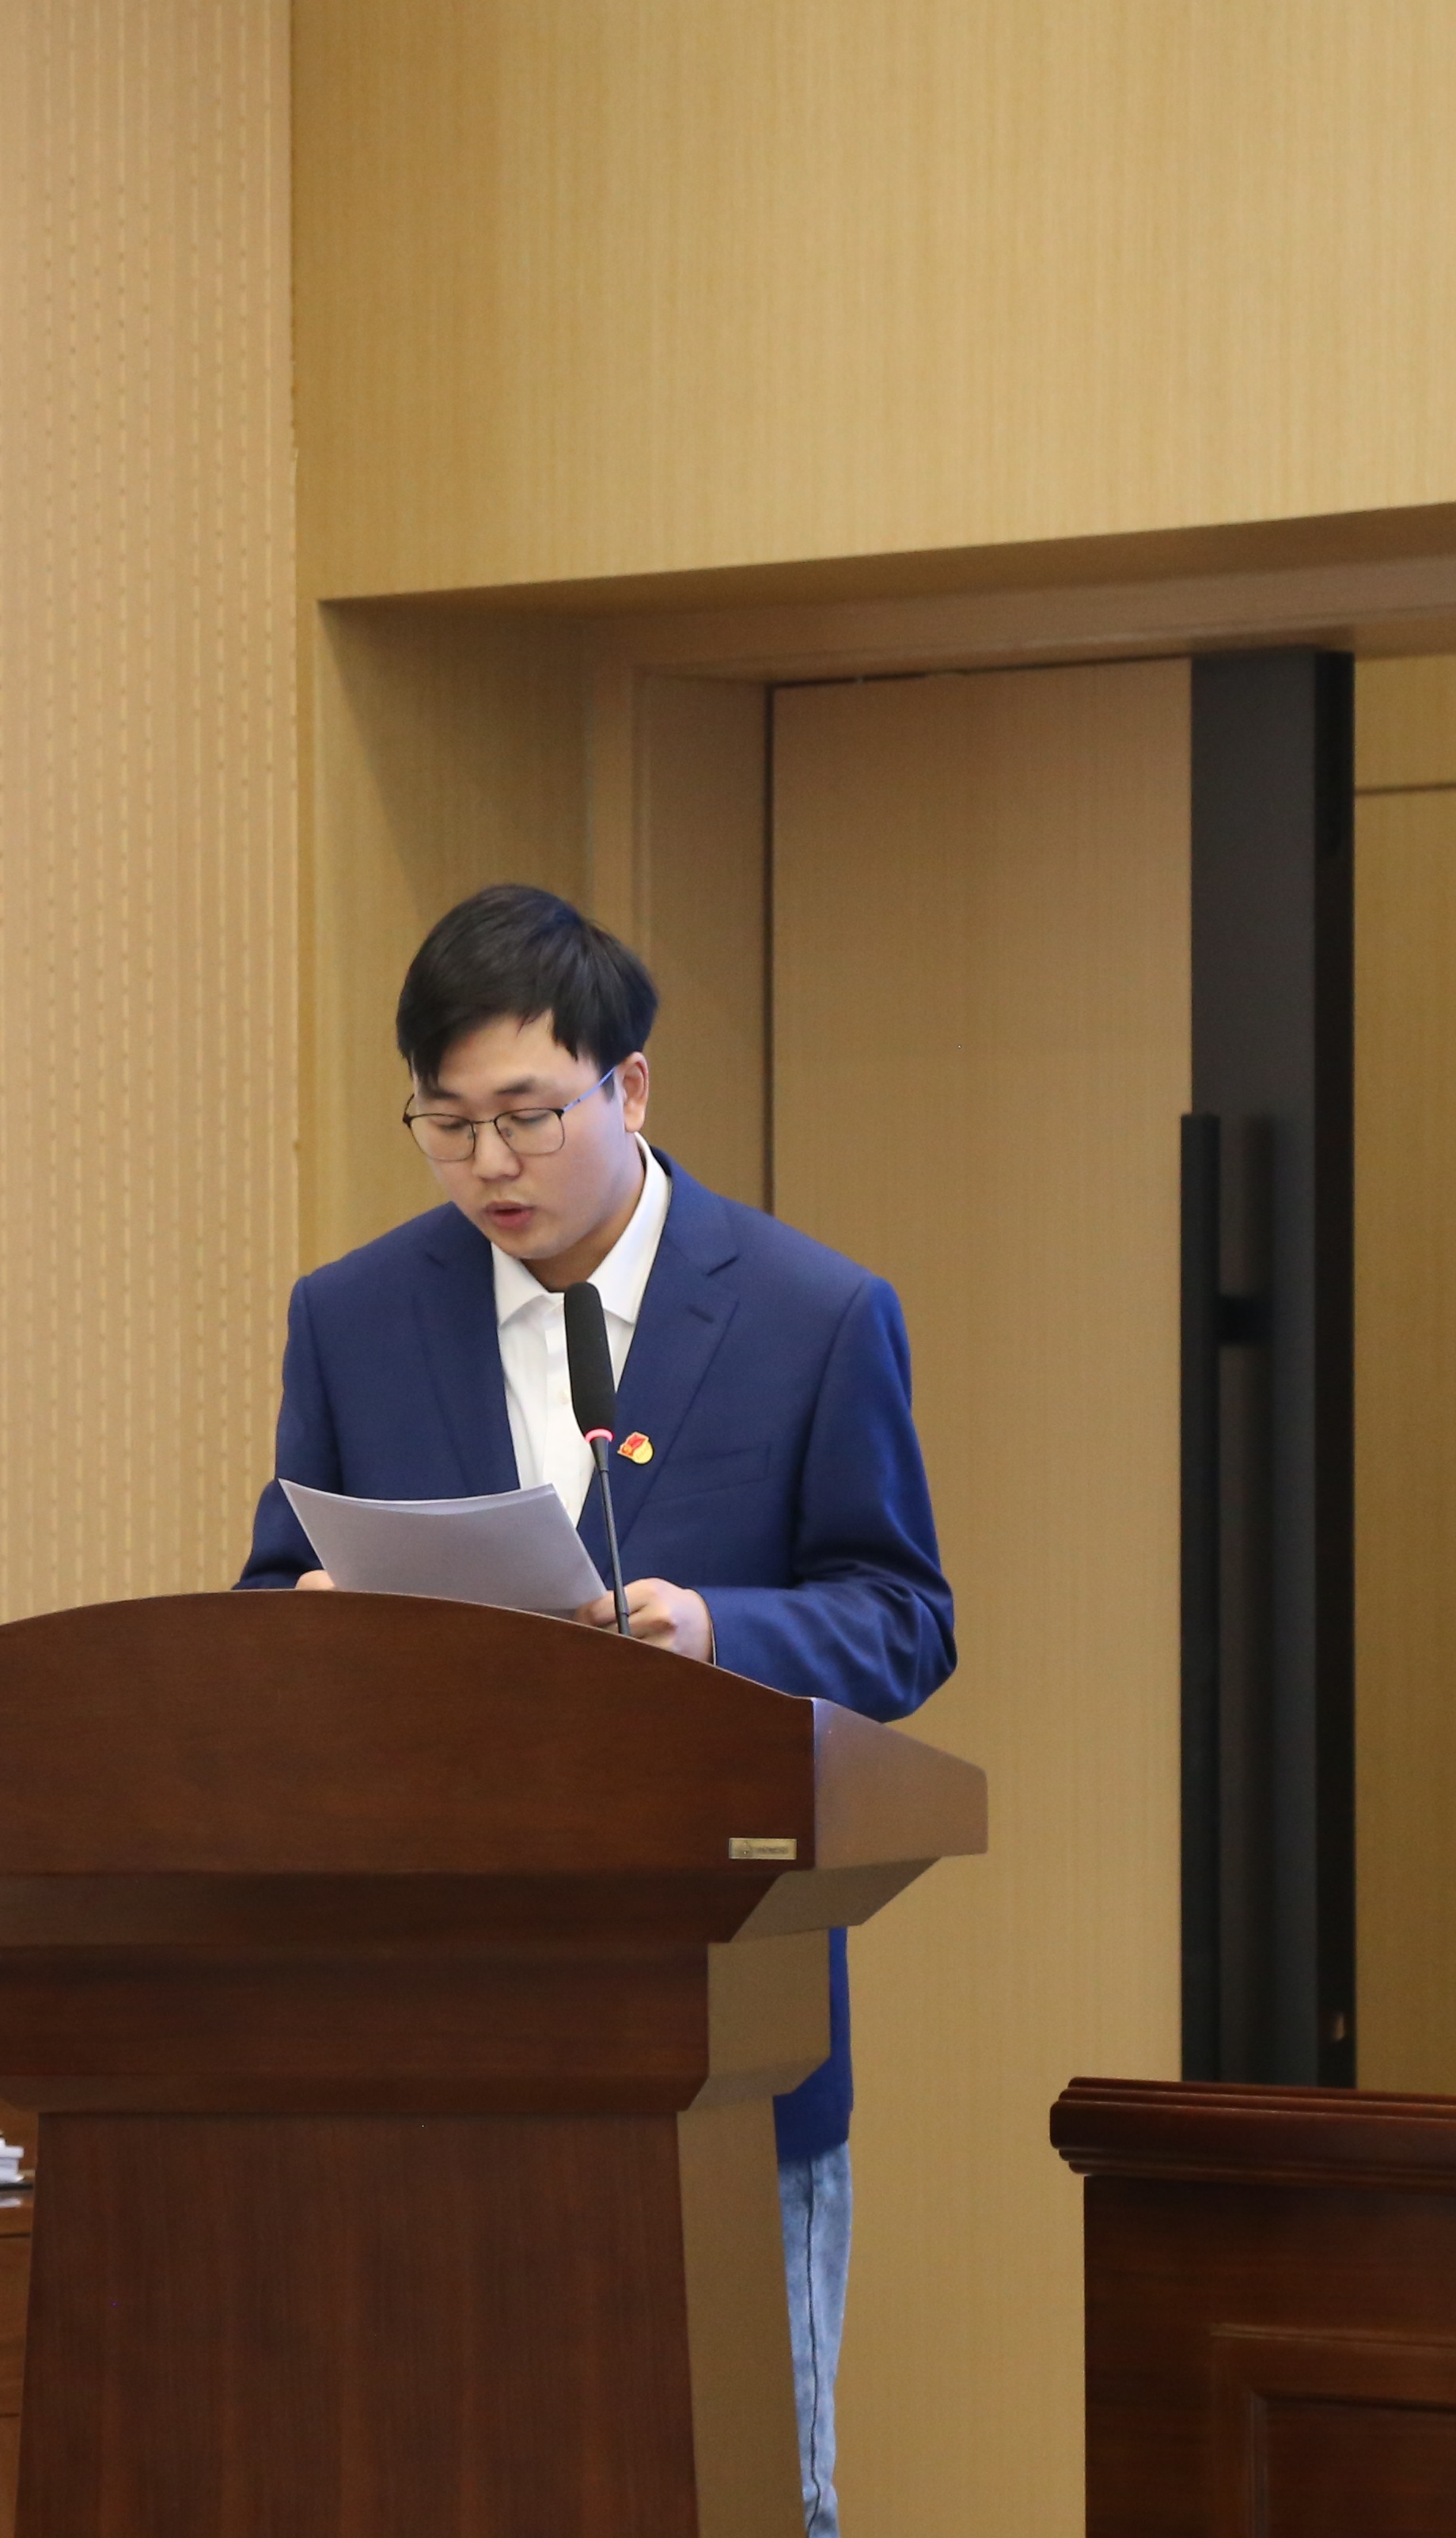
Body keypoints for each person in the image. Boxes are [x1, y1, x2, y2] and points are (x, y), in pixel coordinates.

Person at [240, 882, 952, 2537]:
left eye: (527, 1115)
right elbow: (275, 1589)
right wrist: (310, 1627)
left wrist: (716, 1629)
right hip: (429, 2022)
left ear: (627, 1086)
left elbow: (902, 1616)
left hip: (719, 2012)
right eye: (447, 1124)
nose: (489, 1164)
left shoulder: (811, 1312)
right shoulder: (353, 1315)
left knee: (741, 2490)